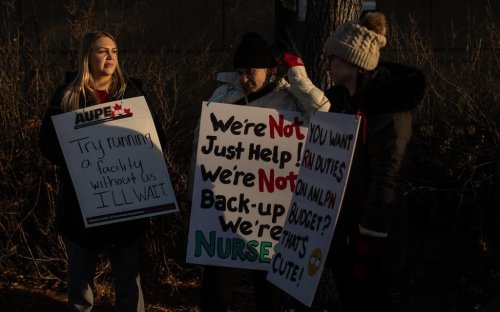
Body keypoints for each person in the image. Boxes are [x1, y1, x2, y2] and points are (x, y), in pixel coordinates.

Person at [192, 32, 331, 311]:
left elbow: (327, 115)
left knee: (269, 294)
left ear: (269, 69)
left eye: (251, 71)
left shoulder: (291, 99)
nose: (244, 78)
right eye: (240, 72)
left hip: (271, 217)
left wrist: (300, 78)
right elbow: (201, 144)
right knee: (215, 291)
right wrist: (196, 196)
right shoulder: (223, 96)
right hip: (224, 212)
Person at [39, 31, 161, 312]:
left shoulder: (132, 93)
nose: (110, 56)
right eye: (102, 51)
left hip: (127, 203)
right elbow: (46, 143)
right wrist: (78, 159)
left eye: (114, 51)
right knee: (80, 284)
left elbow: (157, 140)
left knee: (129, 282)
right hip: (82, 206)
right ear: (87, 56)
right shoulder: (68, 95)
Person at [322, 12, 426, 312]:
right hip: (344, 233)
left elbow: (388, 178)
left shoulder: (388, 110)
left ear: (353, 61)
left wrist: (369, 239)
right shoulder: (340, 103)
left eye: (333, 58)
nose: (327, 64)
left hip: (372, 238)